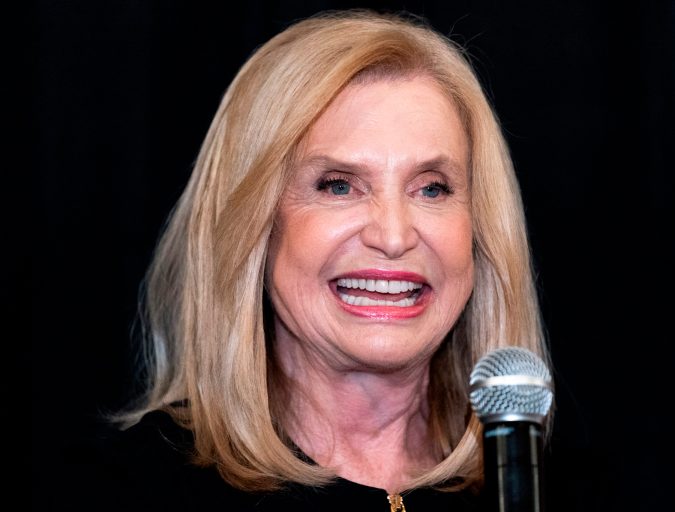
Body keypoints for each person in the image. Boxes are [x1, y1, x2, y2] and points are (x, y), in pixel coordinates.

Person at [64, 9, 548, 511]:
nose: (393, 235)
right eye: (338, 186)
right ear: (255, 224)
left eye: (431, 188)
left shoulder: (556, 489)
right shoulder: (126, 489)